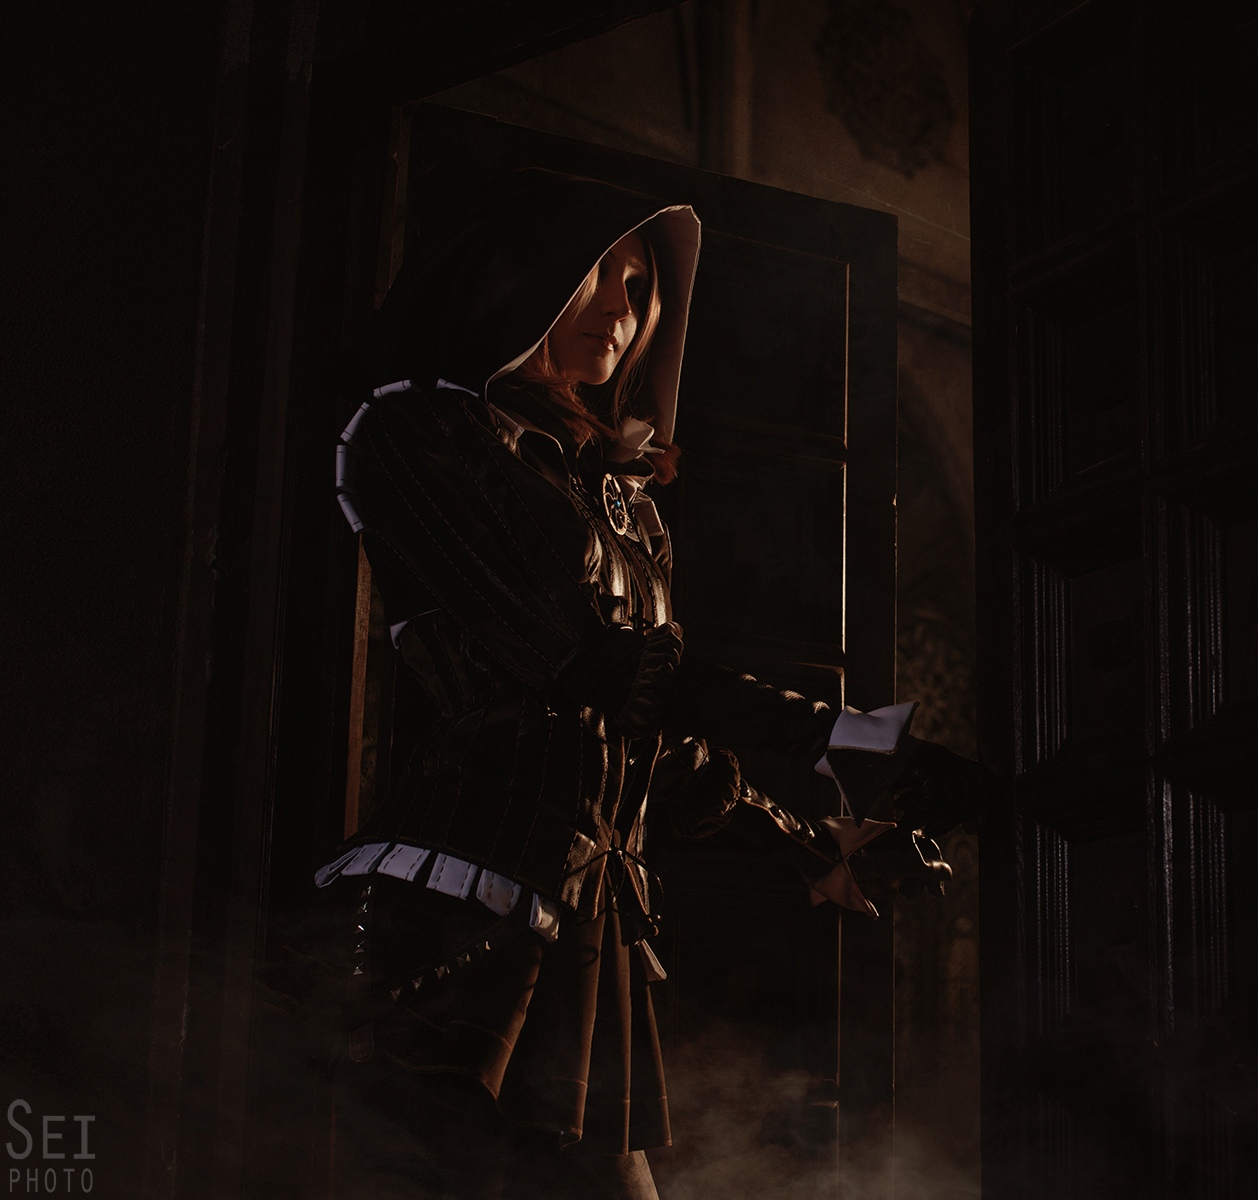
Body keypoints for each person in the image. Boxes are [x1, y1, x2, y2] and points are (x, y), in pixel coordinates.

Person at [314, 169, 985, 1199]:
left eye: (640, 291)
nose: (621, 312)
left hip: (585, 914)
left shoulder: (621, 504)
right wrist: (844, 736)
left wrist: (818, 842)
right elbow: (588, 663)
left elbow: (654, 743)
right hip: (451, 910)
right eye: (597, 274)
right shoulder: (421, 433)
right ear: (522, 276)